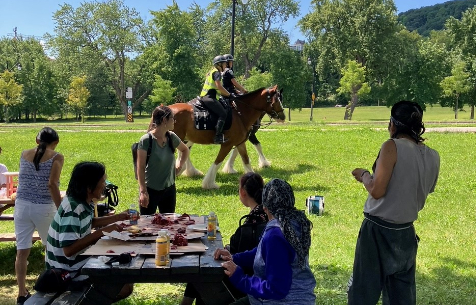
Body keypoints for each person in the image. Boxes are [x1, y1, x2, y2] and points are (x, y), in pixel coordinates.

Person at [347, 101, 440, 305]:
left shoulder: (391, 146)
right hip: (405, 233)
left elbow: (377, 190)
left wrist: (364, 175)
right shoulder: (433, 156)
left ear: (393, 124)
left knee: (363, 293)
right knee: (402, 297)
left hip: (378, 232)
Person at [215, 178, 316, 305]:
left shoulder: (276, 235)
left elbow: (276, 289)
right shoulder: (294, 223)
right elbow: (262, 254)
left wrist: (239, 277)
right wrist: (234, 258)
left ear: (265, 206)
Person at [45, 161, 133, 302]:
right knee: (124, 285)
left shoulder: (83, 202)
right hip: (66, 271)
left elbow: (89, 222)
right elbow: (69, 250)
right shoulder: (73, 209)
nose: (105, 185)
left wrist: (118, 217)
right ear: (88, 187)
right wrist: (102, 232)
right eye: (102, 182)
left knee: (124, 271)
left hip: (75, 264)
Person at [180, 172, 268, 305]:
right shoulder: (266, 215)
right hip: (253, 275)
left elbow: (244, 256)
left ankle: (185, 303)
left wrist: (231, 253)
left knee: (201, 274)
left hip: (244, 279)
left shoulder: (252, 223)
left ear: (242, 192)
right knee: (201, 275)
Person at [14, 127, 64, 305]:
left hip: (21, 206)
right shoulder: (57, 156)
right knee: (50, 248)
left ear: (37, 140)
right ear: (56, 142)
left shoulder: (23, 154)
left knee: (22, 252)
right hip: (43, 207)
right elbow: (52, 185)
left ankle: (21, 293)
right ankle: (49, 288)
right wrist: (60, 209)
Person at [137, 105, 189, 215]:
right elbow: (140, 167)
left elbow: (185, 150)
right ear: (165, 120)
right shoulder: (146, 140)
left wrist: (179, 165)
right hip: (150, 190)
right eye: (172, 118)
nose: (174, 121)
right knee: (147, 226)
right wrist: (143, 192)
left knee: (168, 224)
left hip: (169, 189)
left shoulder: (171, 137)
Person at [200, 55, 234, 144]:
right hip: (209, 97)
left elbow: (218, 89)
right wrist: (229, 95)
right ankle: (217, 136)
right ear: (219, 64)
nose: (225, 65)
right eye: (224, 64)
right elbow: (219, 86)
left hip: (207, 96)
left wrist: (226, 95)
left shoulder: (212, 71)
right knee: (223, 113)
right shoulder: (217, 73)